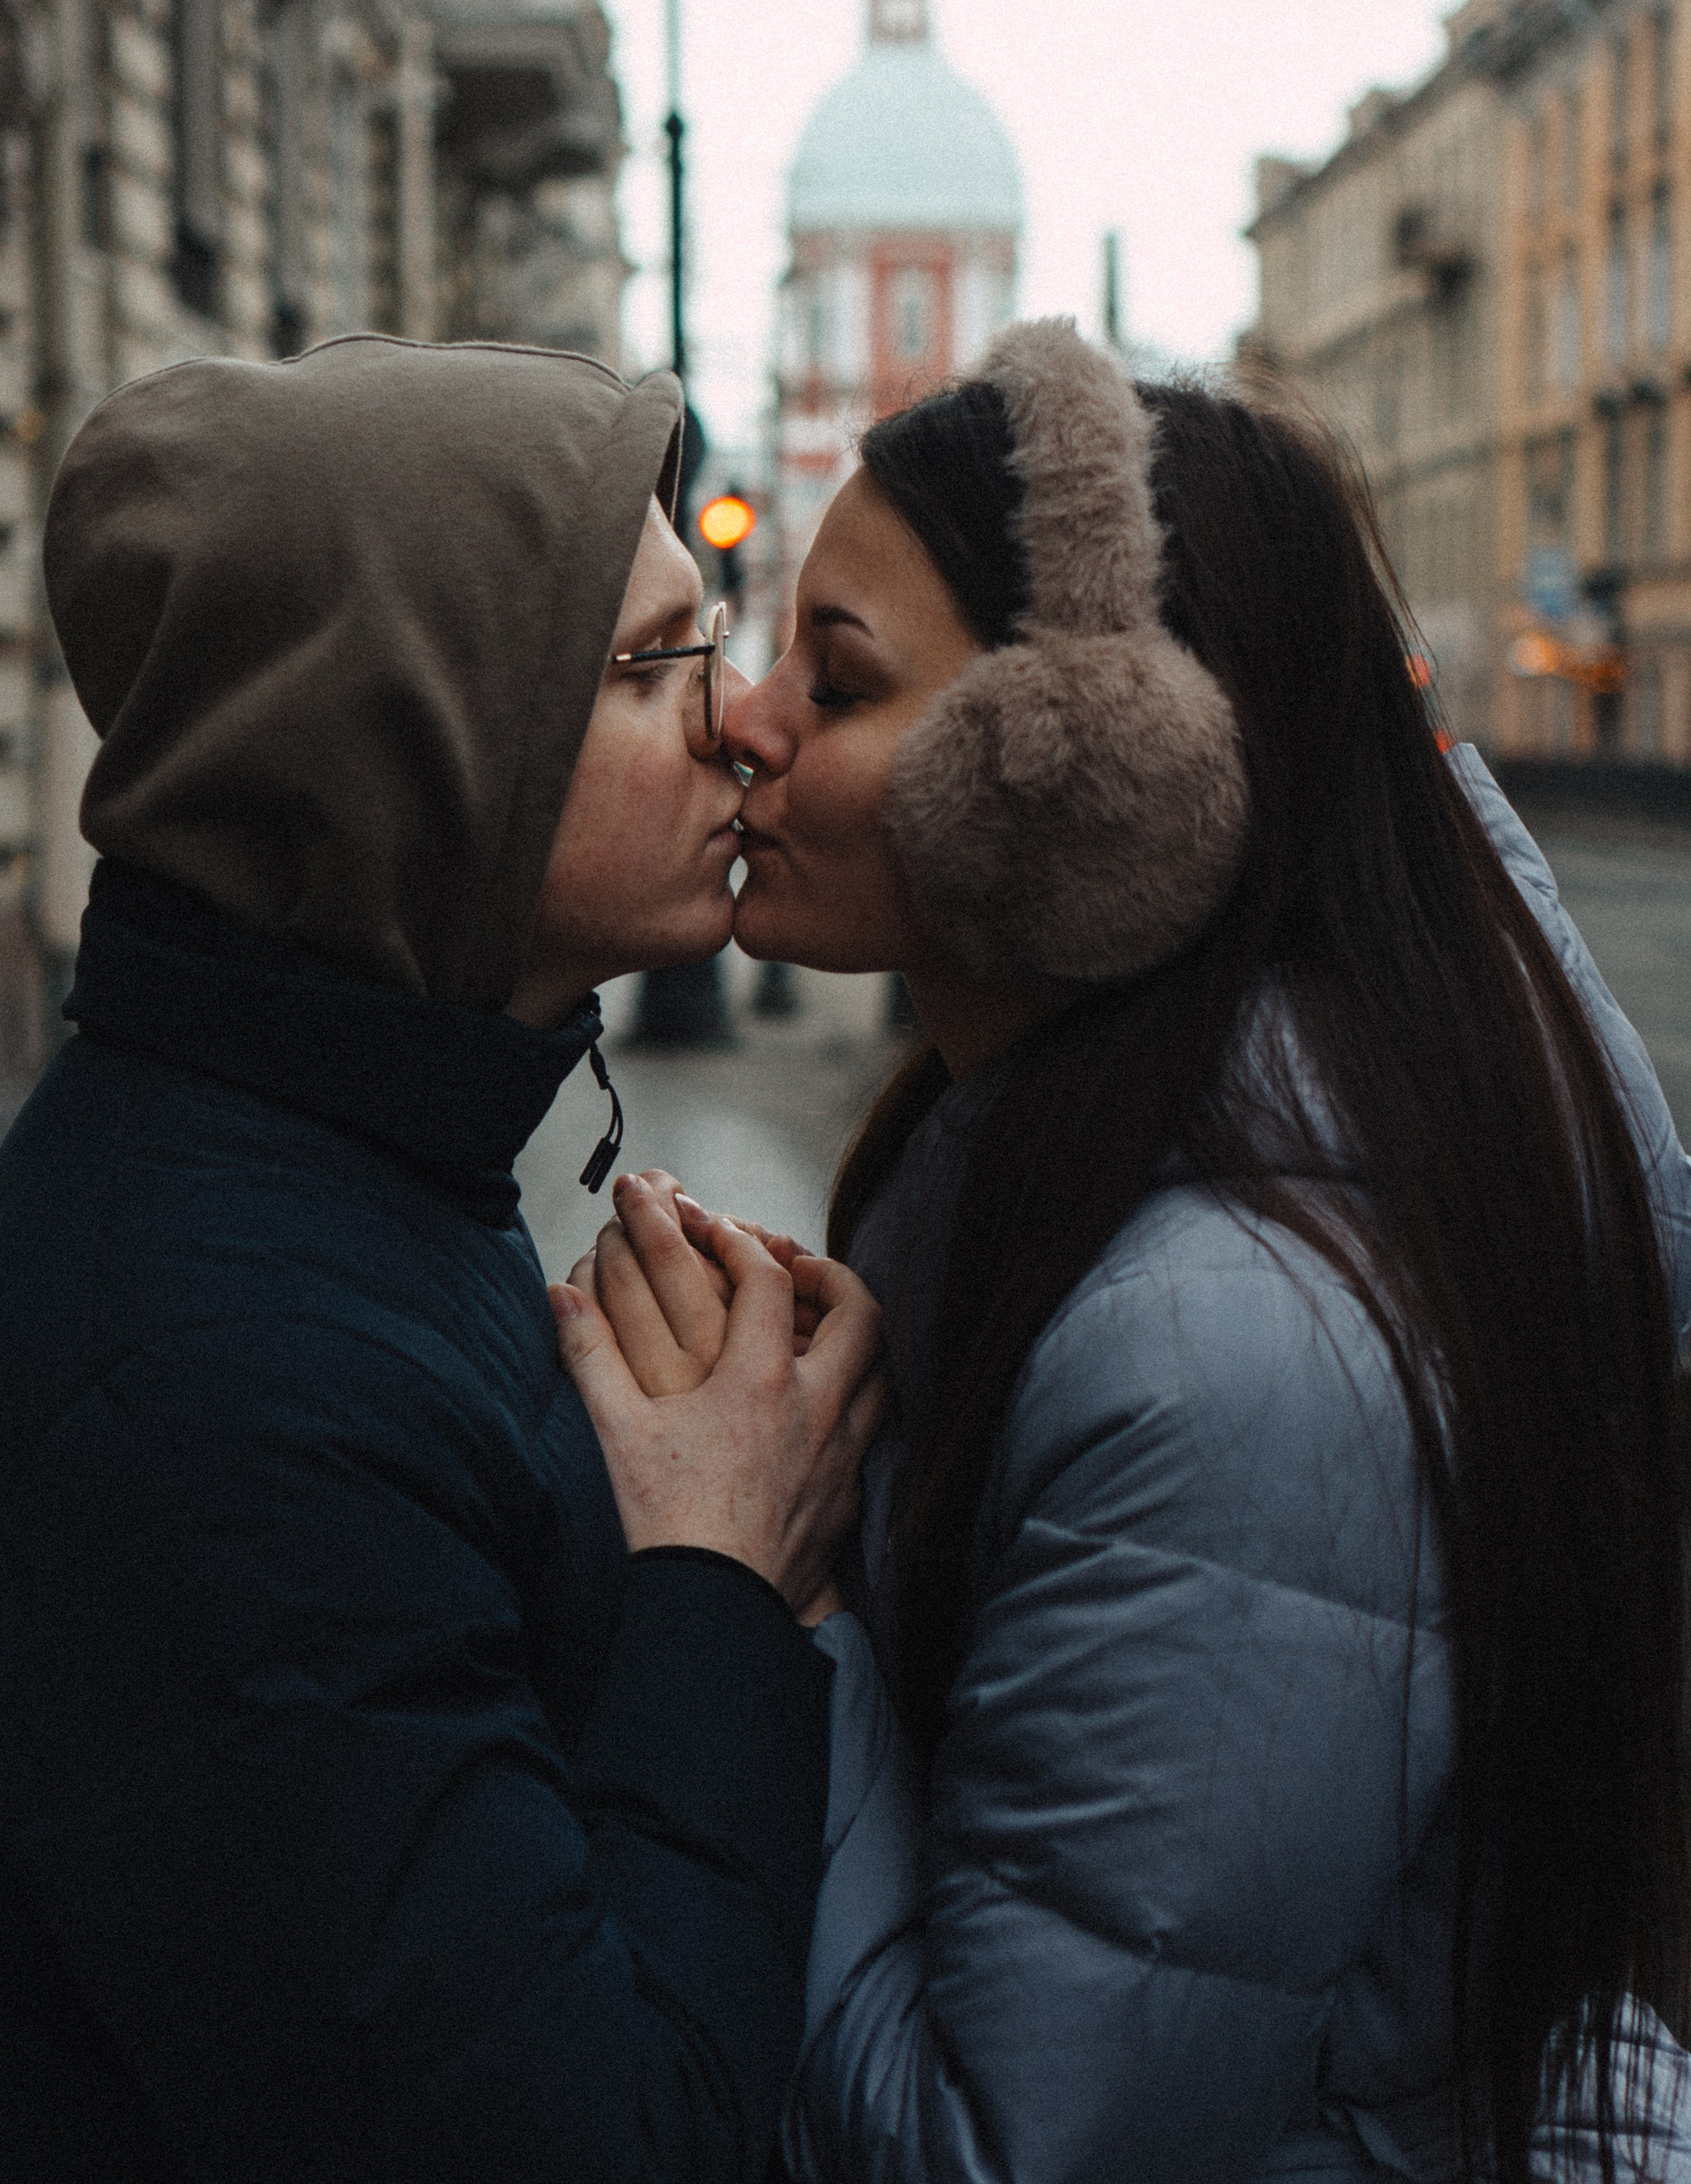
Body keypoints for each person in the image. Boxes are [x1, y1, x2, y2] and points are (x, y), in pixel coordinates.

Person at [562, 320, 1691, 2183]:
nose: (743, 720)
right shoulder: (1039, 1158)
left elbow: (998, 2151)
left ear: (1092, 785)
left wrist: (766, 1590)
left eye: (835, 681)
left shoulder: (1236, 1360)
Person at [0, 334, 885, 2183]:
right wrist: (719, 1578)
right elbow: (595, 2143)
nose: (734, 718)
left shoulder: (346, 1166)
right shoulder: (225, 1396)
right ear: (419, 748)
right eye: (658, 664)